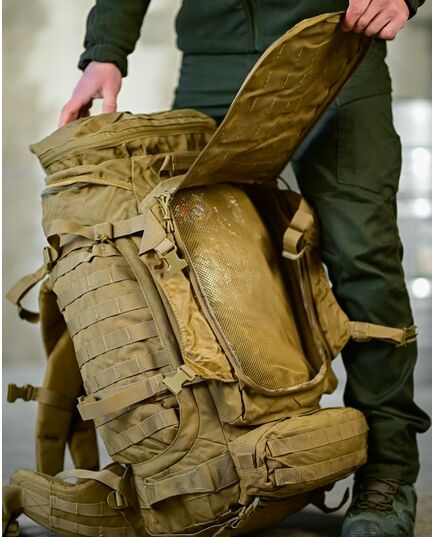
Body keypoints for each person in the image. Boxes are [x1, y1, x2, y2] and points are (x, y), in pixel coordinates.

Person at [59, 2, 430, 536]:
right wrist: (105, 52)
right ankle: (225, 469)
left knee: (363, 259)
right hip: (215, 59)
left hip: (336, 42)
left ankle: (388, 472)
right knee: (189, 272)